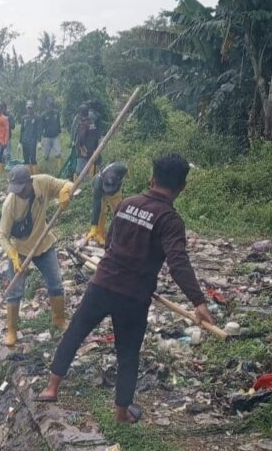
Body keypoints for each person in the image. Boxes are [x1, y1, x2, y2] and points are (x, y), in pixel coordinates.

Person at [35, 154, 214, 425]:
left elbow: (110, 246)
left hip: (102, 282)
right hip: (133, 296)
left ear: (151, 179)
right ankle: (121, 413)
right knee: (128, 354)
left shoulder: (127, 204)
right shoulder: (169, 219)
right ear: (182, 187)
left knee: (75, 332)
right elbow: (178, 263)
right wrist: (198, 302)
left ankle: (51, 388)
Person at [0, 165, 74, 347]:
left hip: (44, 243)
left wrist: (65, 192)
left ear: (29, 182)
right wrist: (13, 255)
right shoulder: (10, 204)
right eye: (14, 189)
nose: (18, 192)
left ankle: (59, 319)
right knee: (14, 291)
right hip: (21, 250)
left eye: (21, 188)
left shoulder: (43, 183)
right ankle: (12, 331)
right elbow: (2, 235)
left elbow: (68, 184)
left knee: (55, 283)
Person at [86, 162, 128, 246]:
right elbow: (96, 206)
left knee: (119, 210)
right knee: (102, 211)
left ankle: (123, 233)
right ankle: (99, 234)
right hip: (101, 190)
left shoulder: (121, 168)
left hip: (116, 191)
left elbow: (127, 172)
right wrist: (93, 226)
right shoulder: (98, 184)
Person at [74, 104, 99, 180]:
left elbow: (81, 138)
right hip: (91, 151)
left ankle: (78, 189)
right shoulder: (92, 123)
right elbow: (96, 137)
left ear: (80, 114)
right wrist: (95, 148)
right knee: (88, 170)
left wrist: (83, 149)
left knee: (79, 172)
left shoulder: (83, 124)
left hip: (83, 152)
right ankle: (87, 187)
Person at [19, 100, 43, 174]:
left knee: (33, 158)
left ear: (34, 108)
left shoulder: (37, 117)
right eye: (28, 108)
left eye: (31, 108)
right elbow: (22, 130)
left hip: (32, 141)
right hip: (24, 140)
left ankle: (35, 174)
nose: (29, 109)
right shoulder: (24, 118)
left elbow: (39, 130)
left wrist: (39, 141)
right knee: (26, 159)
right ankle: (28, 174)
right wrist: (19, 142)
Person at [41, 99, 62, 169]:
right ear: (47, 105)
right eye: (49, 105)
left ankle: (59, 167)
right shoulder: (43, 114)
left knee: (58, 153)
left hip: (55, 136)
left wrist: (59, 132)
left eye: (52, 105)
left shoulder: (56, 113)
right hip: (47, 137)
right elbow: (41, 126)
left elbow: (58, 123)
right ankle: (46, 167)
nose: (51, 106)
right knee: (46, 155)